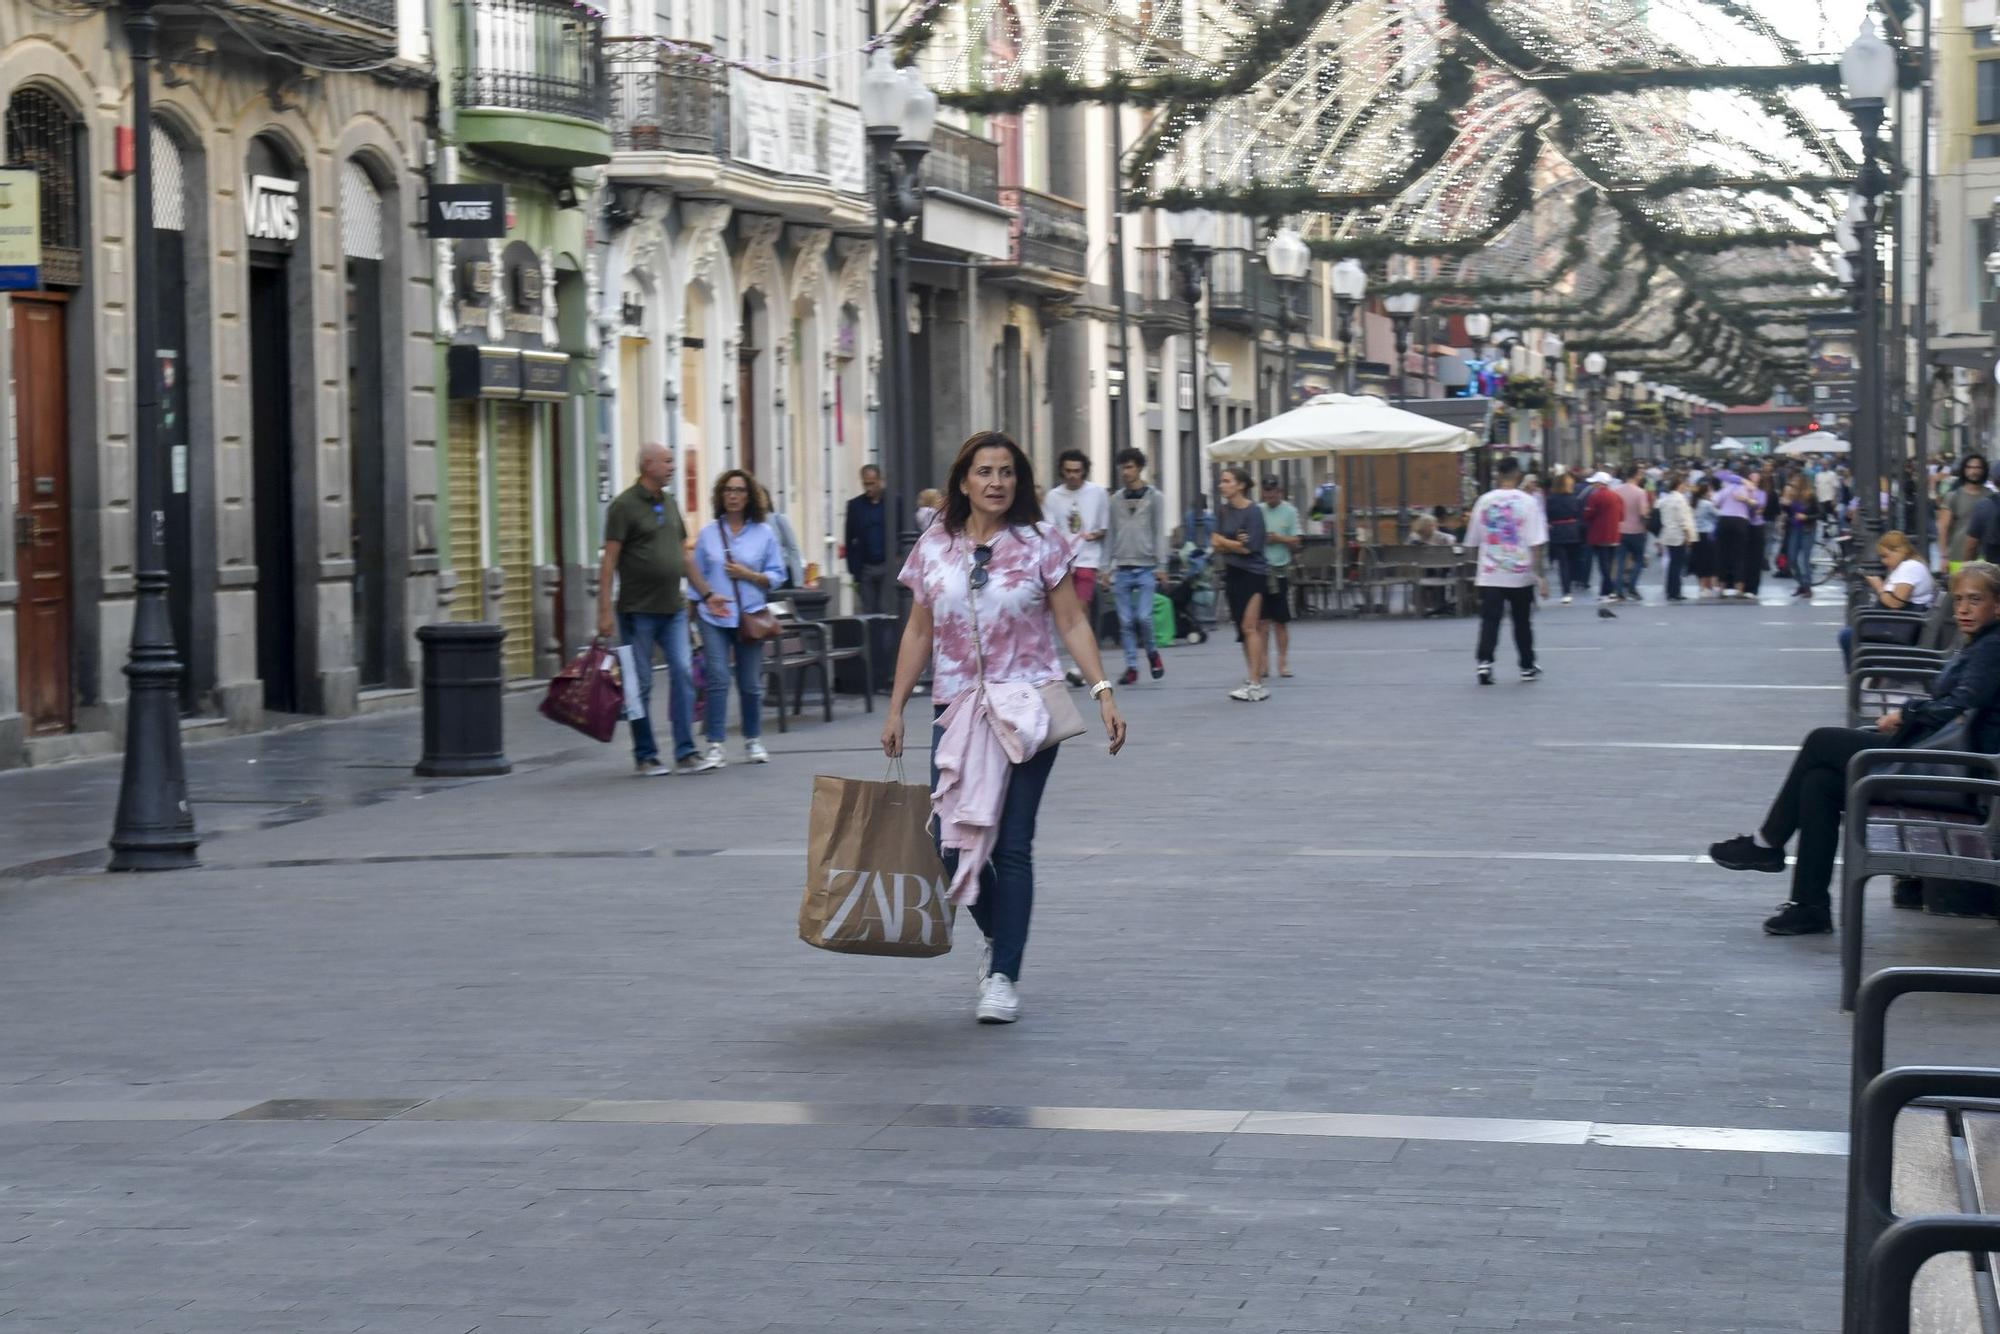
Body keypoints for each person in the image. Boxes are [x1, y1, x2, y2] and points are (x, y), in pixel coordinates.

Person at [882, 430, 1127, 1025]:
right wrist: (895, 709)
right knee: (946, 841)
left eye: (1007, 472)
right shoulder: (935, 546)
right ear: (963, 479)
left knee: (1013, 845)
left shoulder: (1043, 542)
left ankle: (1002, 977)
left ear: (1019, 481)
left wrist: (1102, 690)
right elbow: (919, 631)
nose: (996, 482)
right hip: (959, 708)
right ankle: (1000, 936)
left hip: (1029, 707)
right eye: (985, 472)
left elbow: (1070, 622)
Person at [1709, 561, 2000, 935]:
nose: (1962, 609)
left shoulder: (1992, 649)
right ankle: (1808, 905)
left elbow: (1958, 703)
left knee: (1821, 741)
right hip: (1941, 760)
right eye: (1959, 599)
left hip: (1959, 775)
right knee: (1818, 783)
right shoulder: (1983, 643)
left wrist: (1905, 712)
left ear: (1997, 605)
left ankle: (1768, 845)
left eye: (1974, 600)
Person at [596, 442, 722, 776]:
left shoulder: (669, 503)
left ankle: (685, 751)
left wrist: (708, 594)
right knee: (641, 684)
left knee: (682, 673)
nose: (673, 466)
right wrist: (604, 611)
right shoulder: (623, 506)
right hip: (637, 610)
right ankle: (646, 754)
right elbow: (609, 560)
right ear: (647, 464)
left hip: (673, 608)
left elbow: (684, 556)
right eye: (667, 461)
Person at [691, 469, 789, 769]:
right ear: (721, 495)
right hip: (715, 616)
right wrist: (695, 609)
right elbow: (695, 576)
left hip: (750, 616)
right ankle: (716, 745)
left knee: (750, 683)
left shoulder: (764, 533)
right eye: (728, 490)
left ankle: (753, 740)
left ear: (749, 497)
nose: (733, 495)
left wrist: (749, 575)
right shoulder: (708, 533)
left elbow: (778, 575)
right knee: (718, 678)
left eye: (740, 490)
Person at [1463, 456, 1548, 685]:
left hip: (1490, 572)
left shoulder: (1483, 501)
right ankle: (1526, 665)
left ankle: (1485, 662)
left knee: (1490, 620)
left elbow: (1472, 540)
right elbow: (1536, 542)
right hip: (1520, 572)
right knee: (1522, 621)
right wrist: (1539, 575)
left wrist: (1475, 572)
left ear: (1498, 475)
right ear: (1518, 475)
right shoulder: (1528, 502)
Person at [1042, 449, 1110, 687]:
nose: (1072, 476)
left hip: (1087, 559)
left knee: (1080, 612)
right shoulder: (1053, 497)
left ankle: (1081, 666)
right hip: (1061, 562)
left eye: (1077, 471)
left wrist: (1097, 538)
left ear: (1084, 471)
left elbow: (1105, 527)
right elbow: (1048, 529)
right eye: (1068, 471)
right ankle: (1079, 661)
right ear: (1062, 470)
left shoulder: (1097, 493)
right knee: (1062, 615)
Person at [1106, 448, 1169, 685]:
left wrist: (1161, 564)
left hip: (1146, 566)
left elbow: (1159, 532)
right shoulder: (1115, 500)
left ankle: (1152, 653)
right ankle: (1131, 666)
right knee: (1126, 621)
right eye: (1123, 467)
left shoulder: (1154, 498)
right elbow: (1111, 534)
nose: (1126, 472)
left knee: (1143, 617)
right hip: (1122, 566)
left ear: (1139, 468)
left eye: (1130, 467)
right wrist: (1105, 567)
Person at [1836, 530, 1937, 668]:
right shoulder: (1908, 566)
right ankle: (1863, 676)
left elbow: (1896, 603)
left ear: (1899, 551)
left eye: (1885, 556)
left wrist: (1879, 587)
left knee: (1847, 636)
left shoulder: (1910, 568)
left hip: (1900, 633)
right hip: (1898, 626)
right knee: (1849, 633)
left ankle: (1860, 677)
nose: (1883, 561)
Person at [1211, 466, 1269, 701]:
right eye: (1221, 481)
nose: (1221, 485)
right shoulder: (1223, 511)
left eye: (1226, 481)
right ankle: (1253, 677)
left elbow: (1250, 547)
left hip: (1254, 573)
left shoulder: (1253, 512)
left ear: (1240, 485)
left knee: (1249, 627)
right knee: (1242, 632)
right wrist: (1233, 543)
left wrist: (1230, 544)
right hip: (1232, 571)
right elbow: (1214, 542)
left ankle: (1256, 683)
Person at [1259, 476, 1302, 676]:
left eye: (1272, 493)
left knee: (1281, 620)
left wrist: (1278, 538)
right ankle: (1264, 663)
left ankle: (1283, 662)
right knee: (1262, 622)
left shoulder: (1290, 512)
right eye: (1266, 493)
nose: (1269, 497)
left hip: (1280, 570)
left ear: (1279, 492)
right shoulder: (1258, 510)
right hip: (1260, 570)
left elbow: (1297, 542)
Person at [844, 464, 893, 613]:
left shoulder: (893, 502)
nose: (868, 488)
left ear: (880, 481)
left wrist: (897, 557)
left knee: (887, 609)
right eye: (865, 484)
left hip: (887, 565)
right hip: (865, 567)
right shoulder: (855, 506)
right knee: (868, 611)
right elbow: (849, 537)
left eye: (872, 483)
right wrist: (853, 569)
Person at [1938, 455, 1990, 571]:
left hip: (1987, 558)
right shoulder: (1953, 497)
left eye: (1978, 468)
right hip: (1958, 557)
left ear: (1983, 470)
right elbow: (1943, 528)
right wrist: (1944, 556)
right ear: (1964, 470)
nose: (1974, 471)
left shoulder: (1991, 496)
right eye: (1970, 467)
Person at [1544, 472, 1586, 604]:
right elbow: (1580, 515)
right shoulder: (1575, 499)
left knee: (1563, 564)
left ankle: (1566, 590)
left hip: (1557, 532)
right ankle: (1575, 580)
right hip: (1573, 531)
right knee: (1573, 560)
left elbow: (1547, 516)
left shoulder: (1550, 499)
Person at [1581, 470, 1623, 602]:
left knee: (1603, 565)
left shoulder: (1595, 497)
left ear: (1600, 484)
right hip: (1614, 534)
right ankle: (1605, 592)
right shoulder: (1617, 496)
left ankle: (1609, 590)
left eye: (1595, 483)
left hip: (1599, 535)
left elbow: (1587, 515)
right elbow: (1622, 516)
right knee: (1610, 564)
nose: (1593, 486)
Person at [1614, 464, 1652, 602]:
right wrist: (1648, 516)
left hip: (1620, 529)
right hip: (1636, 530)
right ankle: (1631, 587)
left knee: (1620, 561)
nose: (1642, 476)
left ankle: (1618, 590)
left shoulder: (1617, 490)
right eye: (1641, 473)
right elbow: (1643, 513)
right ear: (1636, 475)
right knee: (1639, 559)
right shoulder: (1640, 492)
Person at [1656, 471, 1695, 603]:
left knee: (1673, 563)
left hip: (1667, 533)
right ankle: (1675, 591)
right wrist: (1688, 535)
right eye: (1685, 484)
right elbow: (1682, 519)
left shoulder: (1665, 498)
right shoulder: (1680, 499)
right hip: (1678, 534)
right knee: (1677, 564)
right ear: (1679, 485)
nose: (1686, 487)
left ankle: (1670, 590)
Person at [758, 485, 804, 590]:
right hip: (761, 576)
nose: (759, 501)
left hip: (783, 574)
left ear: (767, 499)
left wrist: (798, 581)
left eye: (761, 497)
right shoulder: (749, 524)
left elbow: (793, 549)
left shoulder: (778, 519)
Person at [1781, 472, 1816, 598]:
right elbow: (1787, 512)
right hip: (1794, 529)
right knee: (1791, 558)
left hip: (1807, 529)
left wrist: (1806, 516)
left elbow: (1820, 513)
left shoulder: (1811, 496)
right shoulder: (1792, 496)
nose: (1793, 483)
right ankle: (1801, 583)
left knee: (1804, 559)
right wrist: (1785, 503)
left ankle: (1807, 586)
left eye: (1795, 480)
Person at [1690, 479, 1721, 598]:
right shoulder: (1707, 504)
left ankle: (1703, 587)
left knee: (1700, 560)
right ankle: (1707, 586)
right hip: (1708, 534)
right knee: (1709, 561)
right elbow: (1718, 515)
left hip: (1697, 534)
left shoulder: (1694, 502)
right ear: (1706, 491)